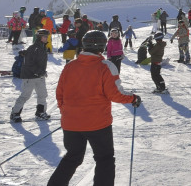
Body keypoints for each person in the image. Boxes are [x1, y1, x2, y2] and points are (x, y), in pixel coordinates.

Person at [48, 30, 141, 185]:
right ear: (102, 46)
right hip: (97, 124)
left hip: (71, 123)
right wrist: (132, 98)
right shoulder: (105, 66)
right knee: (104, 159)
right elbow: (115, 94)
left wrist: (67, 113)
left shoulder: (70, 66)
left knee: (73, 157)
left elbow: (60, 94)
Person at [10, 30, 51, 123]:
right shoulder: (34, 48)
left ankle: (40, 112)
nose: (46, 38)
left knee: (42, 95)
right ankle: (15, 113)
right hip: (30, 76)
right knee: (25, 95)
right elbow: (29, 64)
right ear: (40, 37)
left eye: (47, 36)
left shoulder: (42, 47)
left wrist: (41, 73)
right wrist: (39, 72)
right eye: (45, 36)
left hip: (39, 76)